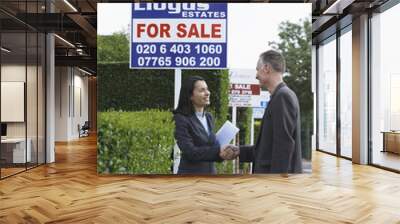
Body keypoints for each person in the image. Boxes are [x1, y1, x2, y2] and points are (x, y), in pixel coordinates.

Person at [230, 50, 303, 174]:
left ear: (266, 68)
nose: (256, 75)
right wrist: (239, 151)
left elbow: (283, 148)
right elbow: (266, 150)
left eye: (257, 69)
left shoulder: (282, 97)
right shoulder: (279, 96)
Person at [173, 76, 236, 174]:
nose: (208, 93)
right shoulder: (181, 119)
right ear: (190, 96)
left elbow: (211, 146)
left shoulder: (209, 117)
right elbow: (190, 152)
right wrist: (218, 151)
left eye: (207, 89)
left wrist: (224, 153)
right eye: (202, 90)